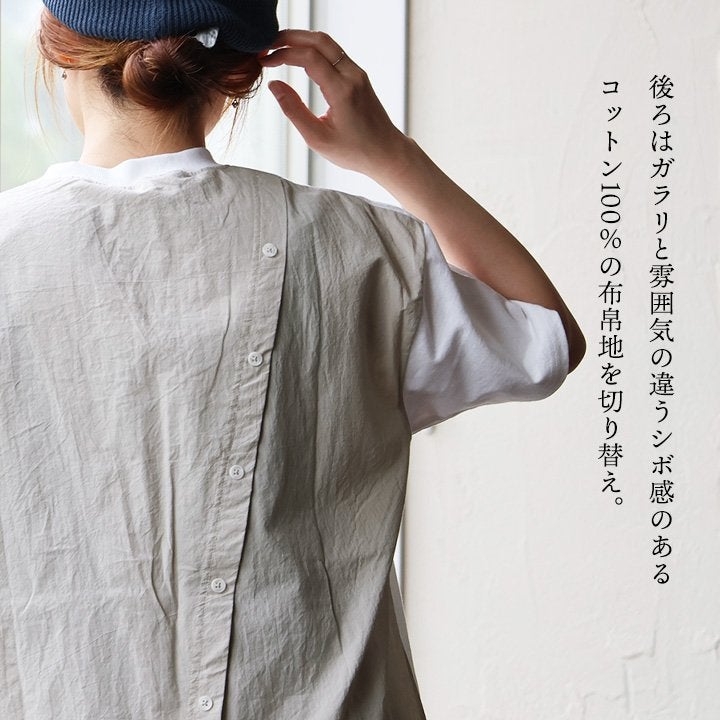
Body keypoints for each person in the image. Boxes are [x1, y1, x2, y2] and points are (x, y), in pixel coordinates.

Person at [0, 1, 585, 718]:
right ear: (241, 72)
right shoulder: (360, 247)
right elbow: (546, 338)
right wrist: (389, 154)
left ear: (57, 48)